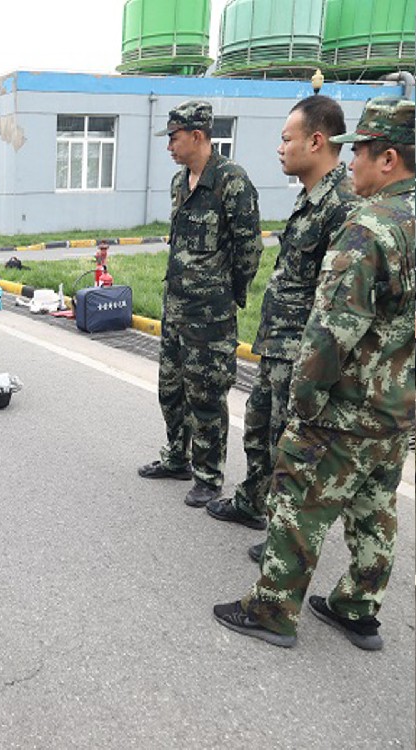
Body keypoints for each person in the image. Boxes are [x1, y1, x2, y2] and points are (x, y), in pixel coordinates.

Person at [214, 97, 415, 650]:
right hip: (397, 411)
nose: (354, 163)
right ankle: (357, 606)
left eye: (363, 153)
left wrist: (303, 399)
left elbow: (332, 330)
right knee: (375, 509)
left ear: (390, 158)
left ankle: (273, 609)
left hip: (346, 406)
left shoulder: (372, 226)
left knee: (297, 501)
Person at [206, 96, 357, 542]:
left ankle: (287, 542)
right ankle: (253, 502)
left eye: (286, 139)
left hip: (301, 355)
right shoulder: (310, 199)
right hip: (277, 347)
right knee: (259, 428)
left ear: (316, 141)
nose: (279, 148)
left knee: (289, 450)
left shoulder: (341, 207)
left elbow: (337, 300)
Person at [137, 101, 262, 507]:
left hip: (210, 317)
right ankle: (177, 456)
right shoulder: (179, 182)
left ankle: (209, 477)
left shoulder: (231, 181)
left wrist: (228, 294)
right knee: (170, 390)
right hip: (175, 310)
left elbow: (249, 250)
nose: (169, 146)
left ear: (197, 136)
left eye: (173, 138)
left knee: (206, 397)